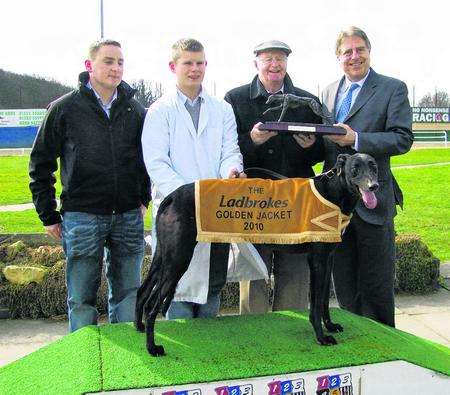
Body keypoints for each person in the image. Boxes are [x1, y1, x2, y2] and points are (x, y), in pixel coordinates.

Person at [29, 39, 150, 332]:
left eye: (120, 62)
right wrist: (48, 215)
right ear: (89, 65)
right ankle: (84, 365)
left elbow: (147, 159)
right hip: (82, 217)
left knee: (128, 296)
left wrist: (143, 199)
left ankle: (126, 366)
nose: (116, 68)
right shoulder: (64, 109)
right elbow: (40, 164)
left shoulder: (136, 110)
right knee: (81, 300)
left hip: (127, 216)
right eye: (108, 61)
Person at [141, 38, 245, 319]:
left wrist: (232, 171)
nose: (194, 69)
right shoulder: (159, 111)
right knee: (176, 285)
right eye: (188, 63)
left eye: (200, 63)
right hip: (178, 212)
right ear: (173, 66)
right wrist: (190, 198)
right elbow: (156, 162)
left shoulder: (222, 109)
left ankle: (208, 349)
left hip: (216, 210)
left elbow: (230, 152)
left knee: (212, 286)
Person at [321, 26, 413, 327]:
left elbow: (402, 139)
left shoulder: (392, 88)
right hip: (337, 207)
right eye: (347, 51)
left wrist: (357, 139)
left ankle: (385, 353)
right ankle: (354, 344)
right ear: (338, 56)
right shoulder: (328, 92)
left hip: (374, 201)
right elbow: (327, 145)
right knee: (344, 283)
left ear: (369, 52)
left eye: (360, 49)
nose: (354, 56)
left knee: (376, 286)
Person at [225, 40, 324, 314]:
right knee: (253, 271)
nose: (274, 65)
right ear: (255, 62)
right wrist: (252, 140)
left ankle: (291, 328)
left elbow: (322, 149)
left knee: (294, 272)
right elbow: (226, 150)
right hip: (255, 199)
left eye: (280, 59)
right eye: (268, 59)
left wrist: (311, 146)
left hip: (296, 199)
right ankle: (253, 333)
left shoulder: (307, 100)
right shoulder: (235, 99)